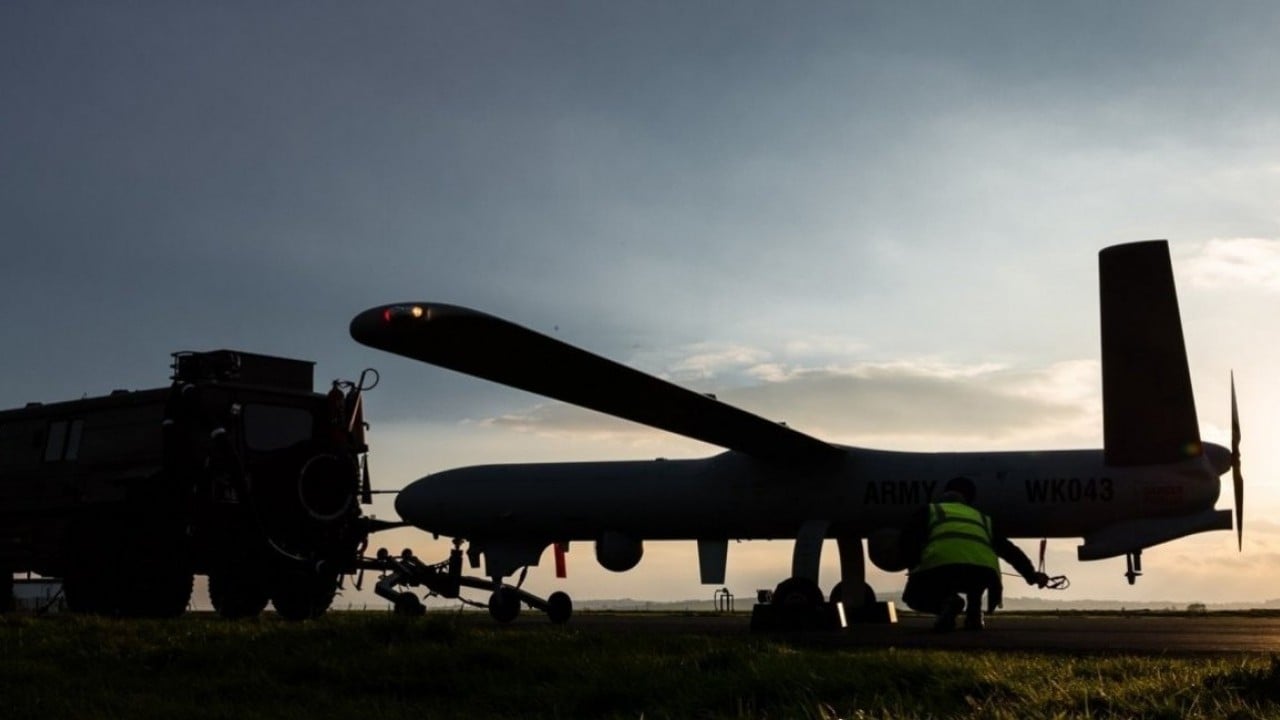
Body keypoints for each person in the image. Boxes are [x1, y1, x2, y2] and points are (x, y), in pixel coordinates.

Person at [900, 476, 1049, 631]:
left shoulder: (930, 511)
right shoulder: (982, 519)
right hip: (984, 574)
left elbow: (907, 541)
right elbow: (1010, 551)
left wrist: (914, 568)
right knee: (975, 575)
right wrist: (1031, 576)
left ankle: (946, 604)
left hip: (942, 569)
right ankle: (974, 616)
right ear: (970, 498)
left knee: (913, 596)